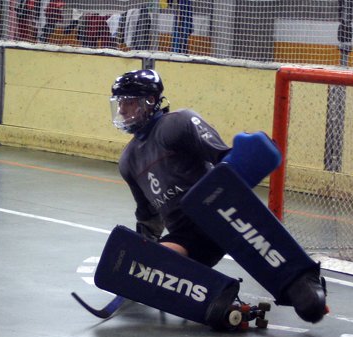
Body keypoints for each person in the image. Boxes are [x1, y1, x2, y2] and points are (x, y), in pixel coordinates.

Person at [109, 69, 327, 323]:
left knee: (309, 303)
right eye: (119, 103)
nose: (122, 110)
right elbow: (148, 215)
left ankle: (300, 280)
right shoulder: (128, 160)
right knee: (154, 263)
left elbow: (224, 161)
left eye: (129, 102)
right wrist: (141, 261)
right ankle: (219, 299)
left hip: (220, 212)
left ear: (150, 101)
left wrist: (251, 156)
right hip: (187, 236)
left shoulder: (177, 123)